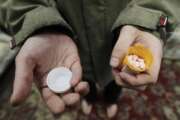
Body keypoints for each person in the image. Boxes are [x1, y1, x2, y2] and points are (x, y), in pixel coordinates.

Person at [0, 0, 179, 119]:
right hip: (71, 41)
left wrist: (148, 17)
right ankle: (90, 99)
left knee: (116, 80)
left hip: (121, 37)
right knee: (84, 82)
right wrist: (37, 21)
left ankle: (111, 100)